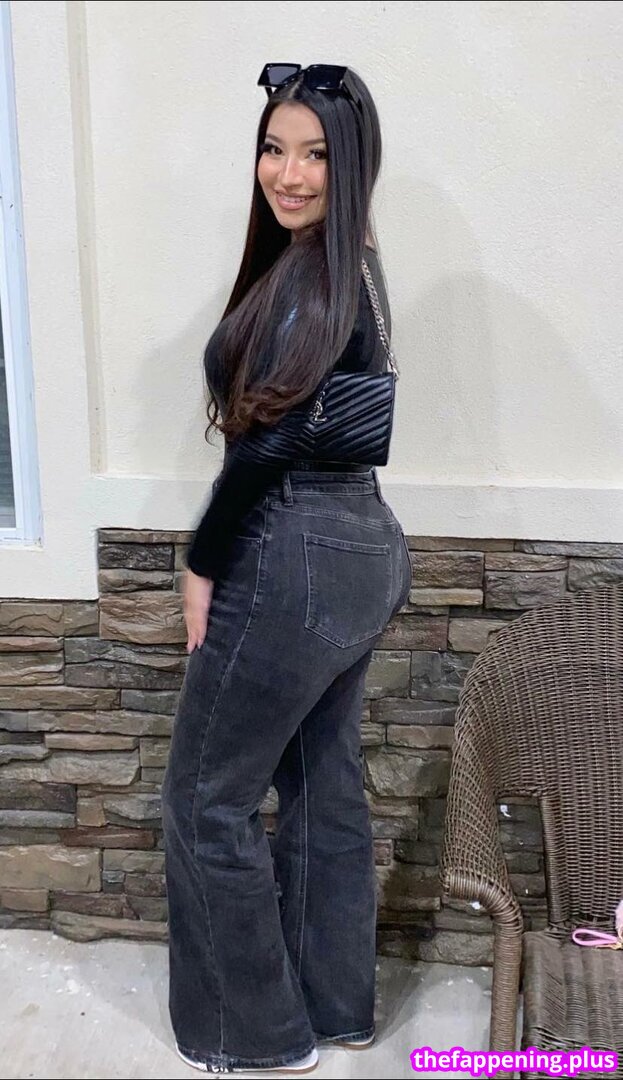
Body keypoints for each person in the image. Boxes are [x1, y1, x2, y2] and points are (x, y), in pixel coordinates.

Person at [161, 63, 412, 1075]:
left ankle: (254, 1034)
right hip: (359, 548)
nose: (288, 173)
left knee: (205, 799)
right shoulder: (352, 266)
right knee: (319, 783)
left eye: (315, 154)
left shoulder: (317, 279)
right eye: (274, 148)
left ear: (353, 164)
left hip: (295, 548)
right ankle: (333, 1007)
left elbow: (267, 447)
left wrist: (202, 560)